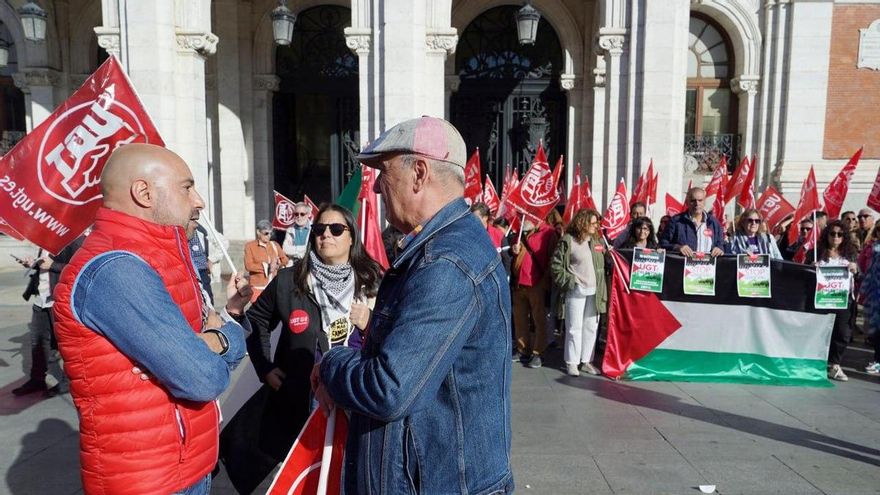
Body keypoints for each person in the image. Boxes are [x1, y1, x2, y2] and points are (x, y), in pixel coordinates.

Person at [312, 116, 514, 494]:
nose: (375, 187)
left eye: (384, 173)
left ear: (419, 173)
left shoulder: (446, 263)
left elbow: (389, 388)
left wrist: (332, 365)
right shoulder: (443, 248)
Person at [52, 144, 252, 495]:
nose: (199, 201)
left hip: (185, 466)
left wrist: (213, 336)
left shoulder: (159, 257)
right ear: (143, 193)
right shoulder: (117, 269)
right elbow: (203, 378)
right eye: (187, 187)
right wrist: (221, 339)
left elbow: (204, 354)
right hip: (151, 480)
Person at [221, 204, 382, 493]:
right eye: (319, 229)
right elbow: (257, 321)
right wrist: (265, 368)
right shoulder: (289, 280)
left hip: (355, 397)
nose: (326, 235)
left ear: (351, 237)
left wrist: (368, 321)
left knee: (348, 474)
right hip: (303, 400)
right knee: (305, 476)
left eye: (336, 229)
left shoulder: (371, 280)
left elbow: (391, 337)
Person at [11, 237, 83, 397]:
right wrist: (32, 263)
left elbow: (80, 267)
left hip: (58, 300)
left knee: (64, 343)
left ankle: (67, 382)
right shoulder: (45, 239)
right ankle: (37, 379)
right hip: (41, 299)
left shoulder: (73, 239)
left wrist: (53, 266)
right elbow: (43, 264)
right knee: (38, 341)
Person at [550, 209, 607, 377]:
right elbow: (556, 265)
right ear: (583, 222)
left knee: (591, 326)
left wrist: (608, 254)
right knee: (574, 327)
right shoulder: (568, 241)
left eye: (597, 223)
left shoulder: (597, 241)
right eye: (593, 222)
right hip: (576, 289)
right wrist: (570, 280)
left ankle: (586, 361)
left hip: (595, 291)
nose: (596, 226)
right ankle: (572, 362)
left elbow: (603, 264)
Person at [806, 220, 859, 382]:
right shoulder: (816, 253)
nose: (836, 237)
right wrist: (810, 268)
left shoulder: (850, 253)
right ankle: (816, 362)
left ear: (844, 237)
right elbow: (803, 273)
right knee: (820, 332)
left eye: (840, 234)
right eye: (832, 233)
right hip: (822, 299)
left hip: (843, 300)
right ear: (827, 235)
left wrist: (856, 269)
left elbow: (859, 275)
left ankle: (834, 364)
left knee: (842, 333)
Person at [511, 217, 558, 369]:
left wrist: (545, 281)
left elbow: (553, 258)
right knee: (520, 318)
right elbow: (514, 254)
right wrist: (514, 250)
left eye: (527, 214)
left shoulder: (548, 233)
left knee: (539, 320)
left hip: (537, 283)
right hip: (519, 283)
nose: (523, 217)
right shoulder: (520, 232)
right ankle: (522, 349)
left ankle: (538, 352)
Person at [659, 187, 724, 257]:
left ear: (704, 202)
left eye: (700, 200)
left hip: (707, 263)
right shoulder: (676, 221)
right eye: (693, 201)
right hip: (681, 263)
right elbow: (662, 244)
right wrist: (678, 247)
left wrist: (719, 249)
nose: (697, 203)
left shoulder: (714, 223)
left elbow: (720, 245)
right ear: (687, 202)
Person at [245, 219, 289, 302]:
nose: (269, 236)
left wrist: (277, 264)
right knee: (257, 308)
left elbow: (285, 260)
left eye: (270, 233)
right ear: (258, 232)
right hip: (257, 286)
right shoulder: (250, 246)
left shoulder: (274, 244)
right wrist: (267, 267)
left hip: (273, 284)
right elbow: (248, 266)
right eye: (266, 233)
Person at [858, 226, 880, 374]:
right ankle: (878, 360)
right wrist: (863, 290)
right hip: (875, 297)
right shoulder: (875, 249)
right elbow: (870, 272)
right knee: (877, 331)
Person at [471, 201, 511, 275]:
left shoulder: (499, 235)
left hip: (496, 275)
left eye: (476, 218)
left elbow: (506, 259)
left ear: (485, 217)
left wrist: (506, 276)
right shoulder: (469, 234)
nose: (473, 221)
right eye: (471, 218)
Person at [189, 222, 214, 303]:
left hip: (202, 271)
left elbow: (222, 242)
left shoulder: (202, 230)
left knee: (208, 297)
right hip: (190, 272)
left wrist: (211, 259)